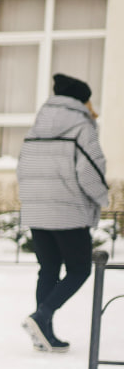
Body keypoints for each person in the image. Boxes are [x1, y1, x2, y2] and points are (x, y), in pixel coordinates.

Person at [17, 73, 110, 353]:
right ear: (81, 100)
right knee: (80, 269)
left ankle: (43, 331)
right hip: (68, 211)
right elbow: (90, 171)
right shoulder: (82, 127)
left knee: (48, 269)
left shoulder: (37, 128)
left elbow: (23, 168)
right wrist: (102, 198)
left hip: (36, 210)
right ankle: (42, 316)